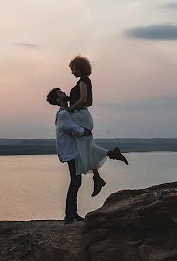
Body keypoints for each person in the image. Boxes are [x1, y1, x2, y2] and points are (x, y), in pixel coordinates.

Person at [65, 55, 128, 197]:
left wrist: (70, 109)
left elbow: (83, 100)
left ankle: (99, 176)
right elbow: (89, 102)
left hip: (80, 116)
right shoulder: (86, 82)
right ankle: (100, 173)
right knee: (87, 147)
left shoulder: (83, 81)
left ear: (78, 67)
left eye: (73, 68)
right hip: (83, 116)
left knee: (83, 148)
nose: (72, 72)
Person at [47, 87, 91, 223]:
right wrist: (86, 131)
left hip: (71, 152)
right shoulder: (63, 115)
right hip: (70, 153)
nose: (64, 93)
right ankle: (70, 216)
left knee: (75, 182)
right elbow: (73, 129)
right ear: (58, 99)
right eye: (60, 93)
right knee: (75, 182)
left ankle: (72, 214)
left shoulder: (65, 113)